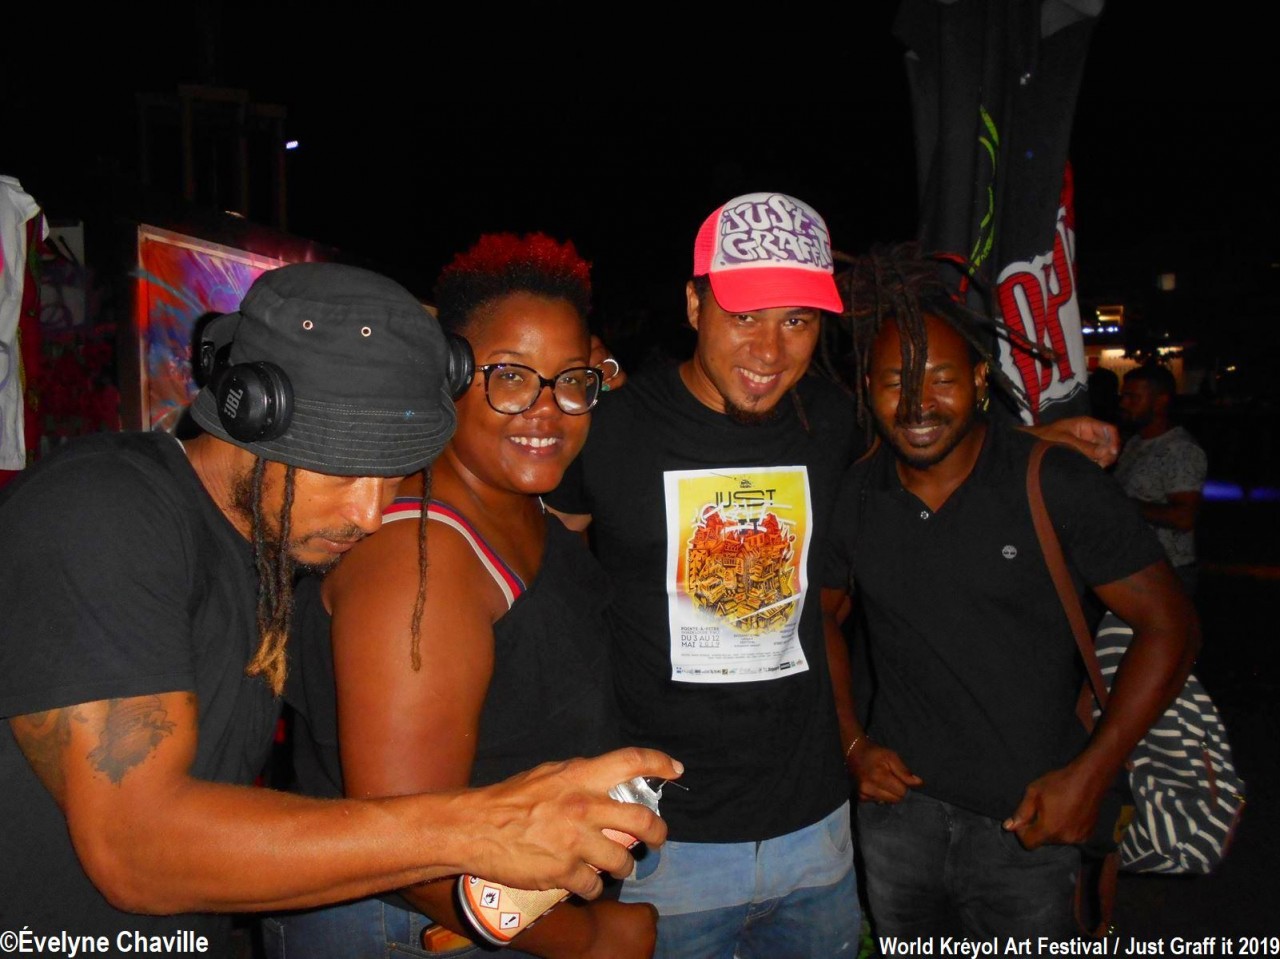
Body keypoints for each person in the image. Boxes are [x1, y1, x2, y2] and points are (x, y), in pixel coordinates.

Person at [0, 262, 680, 952]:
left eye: (394, 471)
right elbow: (137, 850)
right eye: (343, 468)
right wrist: (482, 829)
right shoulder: (100, 512)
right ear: (249, 411)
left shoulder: (267, 542)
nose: (370, 512)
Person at [544, 194, 1120, 959]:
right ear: (693, 303)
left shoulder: (834, 419)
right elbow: (548, 594)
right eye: (745, 314)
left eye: (797, 320)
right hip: (664, 838)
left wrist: (1032, 438)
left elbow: (926, 440)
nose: (770, 349)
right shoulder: (607, 431)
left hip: (815, 831)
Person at [265, 234, 650, 958]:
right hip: (412, 928)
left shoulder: (515, 503)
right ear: (448, 377)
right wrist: (590, 938)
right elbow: (403, 844)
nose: (547, 409)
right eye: (510, 376)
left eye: (571, 379)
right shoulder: (422, 563)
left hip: (500, 913)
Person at [826, 244, 1200, 938]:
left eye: (940, 378)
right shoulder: (858, 494)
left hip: (1030, 821)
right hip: (897, 820)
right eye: (895, 382)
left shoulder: (1052, 481)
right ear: (867, 389)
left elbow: (1171, 624)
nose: (917, 403)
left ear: (978, 379)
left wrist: (1090, 774)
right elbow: (818, 617)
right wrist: (853, 744)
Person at [1115, 363, 1208, 597]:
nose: (1123, 403)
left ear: (1160, 401)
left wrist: (1124, 505)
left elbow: (1184, 517)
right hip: (1137, 566)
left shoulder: (1180, 449)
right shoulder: (1136, 442)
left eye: (1133, 397)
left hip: (1168, 570)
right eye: (1123, 396)